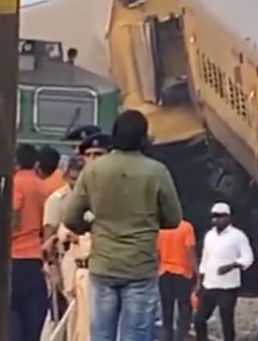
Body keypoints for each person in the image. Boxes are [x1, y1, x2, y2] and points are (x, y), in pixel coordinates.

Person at [64, 109, 183, 341]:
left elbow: (71, 218)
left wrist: (92, 226)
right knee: (136, 335)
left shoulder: (94, 170)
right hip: (140, 267)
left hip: (103, 266)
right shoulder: (157, 171)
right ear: (143, 138)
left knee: (101, 334)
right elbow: (174, 218)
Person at [194, 202, 254, 341]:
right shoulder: (209, 235)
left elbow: (248, 257)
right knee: (199, 319)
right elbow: (205, 259)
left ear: (228, 217)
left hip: (228, 286)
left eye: (220, 216)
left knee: (226, 320)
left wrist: (232, 266)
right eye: (214, 216)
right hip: (209, 284)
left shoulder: (238, 236)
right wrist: (200, 281)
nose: (216, 219)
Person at [42, 155, 87, 327]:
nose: (76, 183)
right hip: (64, 262)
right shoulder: (57, 200)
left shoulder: (91, 198)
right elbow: (48, 236)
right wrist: (52, 270)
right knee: (64, 317)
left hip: (85, 263)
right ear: (66, 176)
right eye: (73, 178)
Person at [11, 143, 49, 341]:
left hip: (15, 255)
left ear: (16, 162)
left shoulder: (15, 183)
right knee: (32, 316)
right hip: (36, 256)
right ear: (36, 163)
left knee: (12, 313)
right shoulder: (42, 185)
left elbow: (13, 214)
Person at [157, 217, 198, 341]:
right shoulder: (186, 227)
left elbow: (156, 252)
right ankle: (181, 336)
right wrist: (197, 271)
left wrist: (157, 270)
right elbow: (189, 250)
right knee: (184, 308)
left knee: (166, 310)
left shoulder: (161, 228)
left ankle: (166, 337)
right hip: (182, 273)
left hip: (164, 272)